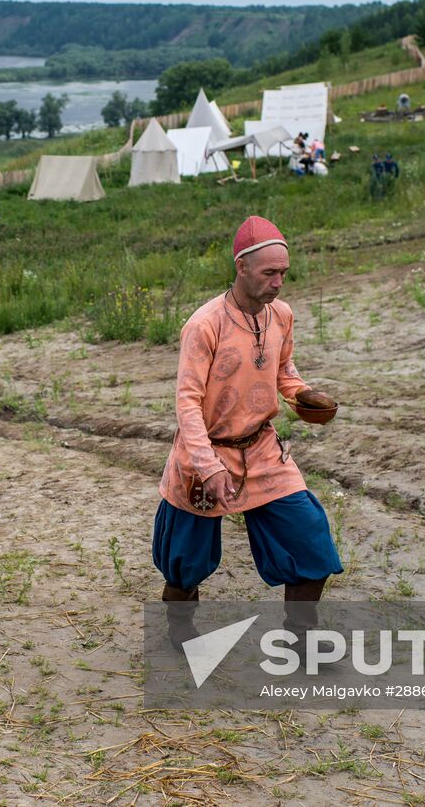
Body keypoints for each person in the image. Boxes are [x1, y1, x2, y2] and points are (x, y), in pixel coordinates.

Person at [154, 216, 344, 646]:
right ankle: (179, 633)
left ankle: (300, 640)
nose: (278, 283)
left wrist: (304, 394)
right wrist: (208, 467)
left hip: (261, 448)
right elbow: (187, 403)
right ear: (241, 267)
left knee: (310, 538)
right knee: (185, 560)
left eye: (284, 273)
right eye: (269, 273)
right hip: (204, 454)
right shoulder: (204, 325)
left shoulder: (282, 315)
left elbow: (283, 369)